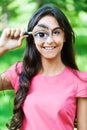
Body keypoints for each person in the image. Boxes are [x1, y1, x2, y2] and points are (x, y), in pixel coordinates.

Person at [0, 4, 87, 130]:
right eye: (41, 34)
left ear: (65, 37)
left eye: (56, 32)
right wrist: (2, 47)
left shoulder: (80, 80)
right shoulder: (20, 72)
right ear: (32, 38)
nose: (50, 40)